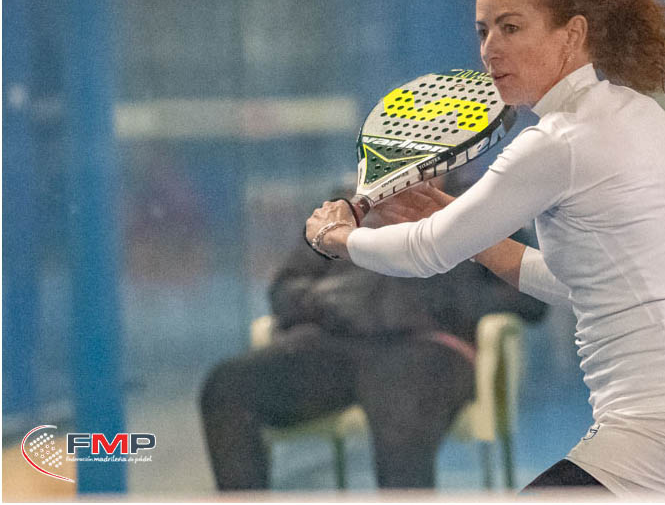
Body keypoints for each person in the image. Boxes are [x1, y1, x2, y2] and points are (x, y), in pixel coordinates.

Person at [304, 0, 665, 497]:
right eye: (483, 31)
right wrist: (473, 235)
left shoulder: (557, 142)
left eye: (510, 27)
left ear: (572, 34)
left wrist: (337, 237)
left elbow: (424, 252)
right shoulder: (643, 116)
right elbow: (586, 282)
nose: (490, 49)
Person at [199, 185, 547, 491]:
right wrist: (325, 300)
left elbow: (531, 299)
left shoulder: (478, 202)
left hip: (427, 347)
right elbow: (284, 289)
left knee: (400, 406)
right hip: (335, 342)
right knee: (227, 386)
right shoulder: (342, 209)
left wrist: (440, 300)